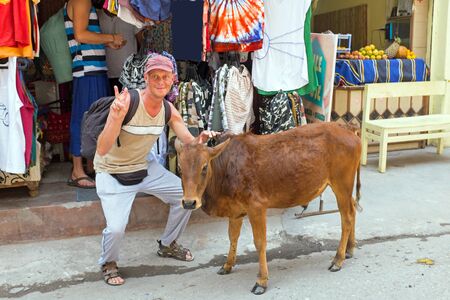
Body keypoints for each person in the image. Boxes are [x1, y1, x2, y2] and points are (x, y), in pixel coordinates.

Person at [94, 54, 217, 286]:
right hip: (112, 171)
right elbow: (101, 149)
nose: (160, 82)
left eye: (165, 77)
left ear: (173, 80)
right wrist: (115, 118)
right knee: (116, 228)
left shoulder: (168, 110)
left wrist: (200, 139)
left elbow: (189, 141)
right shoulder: (128, 102)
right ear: (146, 78)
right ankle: (108, 263)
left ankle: (168, 244)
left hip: (144, 166)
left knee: (185, 198)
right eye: (155, 77)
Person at [64, 0, 125, 188]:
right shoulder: (81, 0)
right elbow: (81, 35)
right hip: (87, 70)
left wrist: (108, 42)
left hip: (92, 69)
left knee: (96, 120)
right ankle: (77, 171)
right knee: (83, 119)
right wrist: (110, 37)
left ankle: (91, 165)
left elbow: (85, 38)